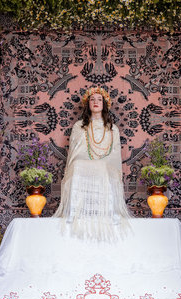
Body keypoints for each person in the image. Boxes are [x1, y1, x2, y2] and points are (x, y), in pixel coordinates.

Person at [53, 87, 132, 241]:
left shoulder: (112, 129)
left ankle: (106, 213)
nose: (96, 102)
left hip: (105, 165)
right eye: (92, 99)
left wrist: (99, 164)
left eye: (99, 99)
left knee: (103, 167)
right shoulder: (79, 126)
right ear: (88, 104)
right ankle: (75, 212)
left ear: (105, 104)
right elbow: (75, 153)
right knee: (77, 166)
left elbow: (114, 155)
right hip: (83, 165)